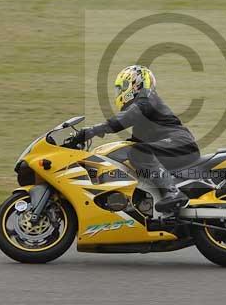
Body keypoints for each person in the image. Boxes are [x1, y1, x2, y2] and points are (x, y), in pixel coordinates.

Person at [73, 65, 199, 214]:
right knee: (129, 152)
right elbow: (132, 141)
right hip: (171, 146)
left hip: (180, 143)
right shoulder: (142, 116)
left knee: (139, 152)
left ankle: (172, 192)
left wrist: (93, 130)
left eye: (123, 87)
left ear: (136, 84)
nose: (120, 92)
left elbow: (125, 118)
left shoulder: (147, 99)